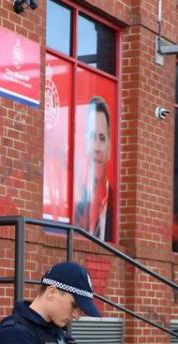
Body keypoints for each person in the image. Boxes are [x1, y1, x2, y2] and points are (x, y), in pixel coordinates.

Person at [74, 96, 114, 243]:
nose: (97, 148)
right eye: (92, 137)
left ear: (109, 147)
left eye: (102, 138)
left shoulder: (116, 206)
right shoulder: (76, 201)